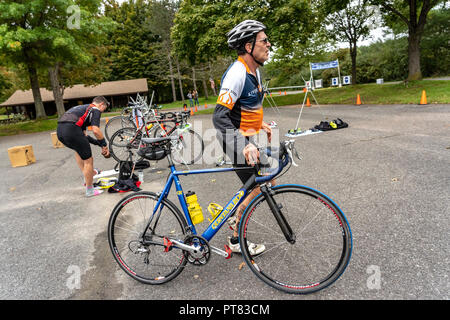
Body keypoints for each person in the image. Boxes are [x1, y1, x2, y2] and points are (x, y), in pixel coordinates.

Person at [213, 20, 272, 255]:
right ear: (248, 47)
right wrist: (243, 145)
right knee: (258, 185)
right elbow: (220, 117)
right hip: (235, 140)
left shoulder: (253, 71)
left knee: (265, 180)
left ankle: (235, 217)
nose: (269, 45)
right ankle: (236, 236)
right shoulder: (237, 73)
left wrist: (260, 124)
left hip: (245, 138)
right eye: (264, 41)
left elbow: (245, 108)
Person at [57, 96, 110, 197]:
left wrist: (98, 143)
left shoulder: (83, 109)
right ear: (101, 104)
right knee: (88, 160)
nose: (103, 111)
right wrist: (104, 144)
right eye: (104, 108)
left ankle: (88, 177)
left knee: (79, 150)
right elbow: (95, 130)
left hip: (60, 131)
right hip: (71, 130)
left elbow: (84, 136)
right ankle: (90, 190)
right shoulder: (95, 110)